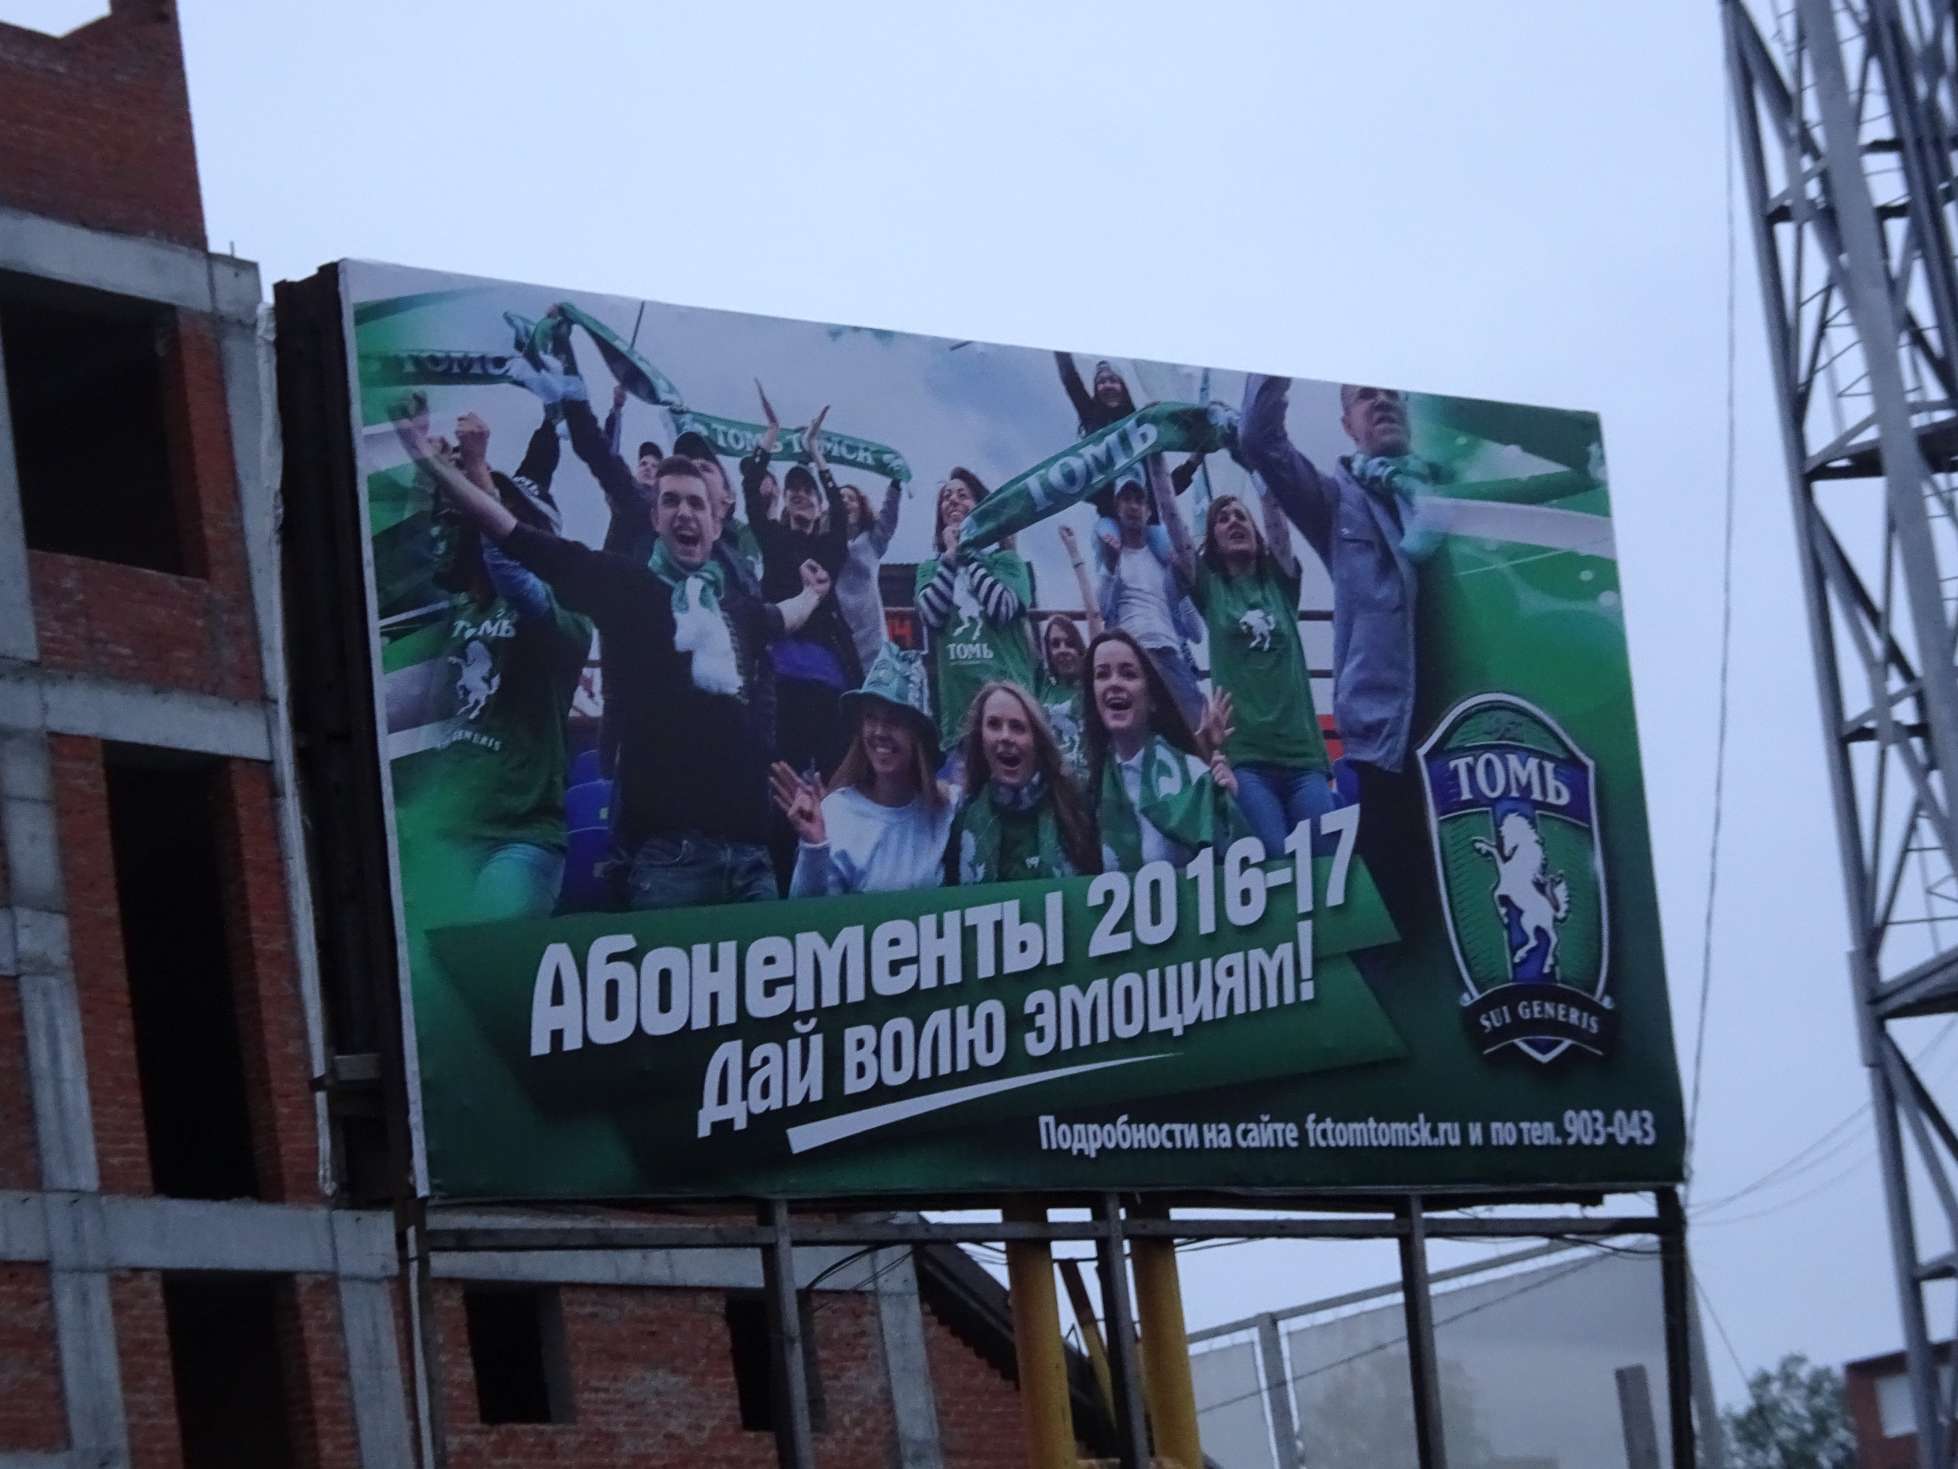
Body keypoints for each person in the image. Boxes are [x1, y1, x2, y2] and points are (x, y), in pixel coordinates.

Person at [394, 413, 833, 910]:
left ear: (716, 524)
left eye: (697, 503)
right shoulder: (625, 587)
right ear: (655, 519)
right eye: (671, 501)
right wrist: (435, 465)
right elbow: (511, 534)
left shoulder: (740, 611)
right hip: (669, 863)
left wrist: (813, 593)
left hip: (752, 859)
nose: (684, 512)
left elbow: (786, 616)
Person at [1238, 375, 1441, 914]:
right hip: (1388, 745)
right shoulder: (1336, 502)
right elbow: (1258, 439)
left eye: (1394, 392)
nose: (1384, 401)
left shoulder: (1446, 492)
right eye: (1366, 396)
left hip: (1464, 725)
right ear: (1346, 426)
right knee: (1400, 915)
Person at [389, 408, 593, 920]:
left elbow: (510, 556)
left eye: (501, 509)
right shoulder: (460, 608)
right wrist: (430, 471)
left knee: (480, 962)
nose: (474, 515)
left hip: (518, 840)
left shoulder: (564, 612)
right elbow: (426, 543)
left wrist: (463, 469)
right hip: (444, 831)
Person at [1159, 479, 1334, 857]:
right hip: (1248, 762)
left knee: (1326, 868)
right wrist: (1154, 458)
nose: (1234, 521)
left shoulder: (1281, 583)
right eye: (1222, 519)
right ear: (1214, 540)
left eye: (1241, 516)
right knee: (1271, 870)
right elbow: (1173, 524)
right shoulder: (1211, 589)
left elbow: (1275, 512)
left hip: (1304, 759)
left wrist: (1253, 461)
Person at [742, 396, 863, 885]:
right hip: (782, 683)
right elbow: (751, 487)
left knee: (837, 783)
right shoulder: (772, 540)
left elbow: (839, 506)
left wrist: (816, 452)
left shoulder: (829, 547)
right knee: (780, 785)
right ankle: (778, 878)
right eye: (792, 492)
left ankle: (838, 872)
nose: (799, 497)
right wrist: (771, 436)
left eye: (805, 492)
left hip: (831, 684)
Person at [773, 644, 954, 896]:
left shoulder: (948, 809)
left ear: (918, 734)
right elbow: (805, 919)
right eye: (870, 718)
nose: (879, 732)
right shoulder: (835, 813)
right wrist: (814, 846)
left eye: (893, 720)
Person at [1082, 628, 1245, 873]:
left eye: (1128, 674)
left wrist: (1228, 801)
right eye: (1102, 674)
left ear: (1152, 699)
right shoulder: (1087, 788)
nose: (1114, 682)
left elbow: (1238, 863)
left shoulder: (1194, 775)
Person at [913, 469, 1038, 753]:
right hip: (961, 725)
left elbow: (1002, 608)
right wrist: (950, 558)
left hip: (1013, 714)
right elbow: (932, 614)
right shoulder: (930, 569)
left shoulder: (1007, 562)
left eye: (962, 495)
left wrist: (968, 555)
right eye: (946, 497)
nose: (952, 501)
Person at [944, 681, 1100, 884]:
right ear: (980, 738)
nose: (1005, 736)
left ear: (1037, 740)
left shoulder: (1077, 808)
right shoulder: (962, 821)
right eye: (993, 725)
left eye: (1017, 727)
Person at [1094, 464, 1206, 729]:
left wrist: (1182, 586)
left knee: (1200, 736)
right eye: (1126, 499)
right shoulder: (1111, 557)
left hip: (1170, 655)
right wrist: (1110, 569)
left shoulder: (1165, 560)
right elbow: (1103, 612)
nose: (1133, 506)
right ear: (1117, 507)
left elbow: (1196, 632)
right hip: (1130, 658)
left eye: (1139, 500)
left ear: (1147, 510)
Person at [1034, 523, 1102, 782]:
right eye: (1055, 644)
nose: (1062, 650)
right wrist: (1010, 547)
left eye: (1068, 642)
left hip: (1090, 785)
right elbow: (1018, 620)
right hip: (1054, 792)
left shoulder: (1092, 683)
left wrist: (1074, 554)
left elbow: (1094, 617)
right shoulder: (1043, 686)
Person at [835, 476, 903, 671]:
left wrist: (895, 486)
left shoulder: (872, 540)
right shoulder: (826, 543)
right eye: (840, 498)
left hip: (870, 630)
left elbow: (888, 516)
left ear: (861, 506)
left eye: (851, 498)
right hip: (840, 628)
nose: (846, 501)